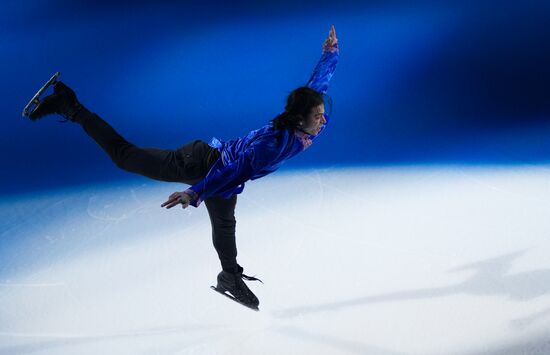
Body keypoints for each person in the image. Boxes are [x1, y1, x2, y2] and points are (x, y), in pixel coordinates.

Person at [24, 25, 339, 310]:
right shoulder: (271, 146)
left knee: (225, 225)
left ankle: (229, 277)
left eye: (322, 114)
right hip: (202, 164)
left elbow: (318, 86)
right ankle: (69, 105)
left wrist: (330, 53)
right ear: (299, 119)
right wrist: (194, 191)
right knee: (124, 155)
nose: (323, 120)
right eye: (317, 116)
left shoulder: (307, 115)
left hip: (222, 173)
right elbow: (235, 171)